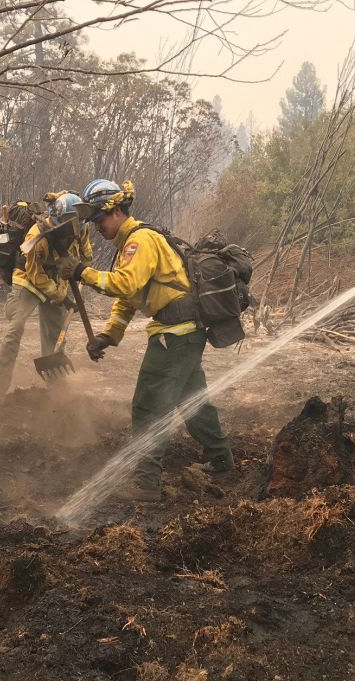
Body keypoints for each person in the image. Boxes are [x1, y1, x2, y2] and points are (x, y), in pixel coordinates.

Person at [54, 178, 234, 502]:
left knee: (149, 407)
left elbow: (124, 284)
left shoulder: (141, 241)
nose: (97, 227)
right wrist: (109, 335)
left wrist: (81, 271)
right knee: (194, 403)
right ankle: (223, 463)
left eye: (99, 219)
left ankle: (146, 484)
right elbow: (131, 298)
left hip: (174, 335)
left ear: (118, 211)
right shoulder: (129, 244)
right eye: (92, 221)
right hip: (184, 335)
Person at [0, 192, 91, 399]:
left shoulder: (81, 227)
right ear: (56, 220)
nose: (70, 228)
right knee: (15, 329)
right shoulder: (37, 236)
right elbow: (36, 275)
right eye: (65, 224)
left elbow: (85, 255)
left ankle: (56, 389)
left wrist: (82, 271)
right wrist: (63, 298)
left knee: (55, 333)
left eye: (74, 223)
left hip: (55, 279)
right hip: (29, 279)